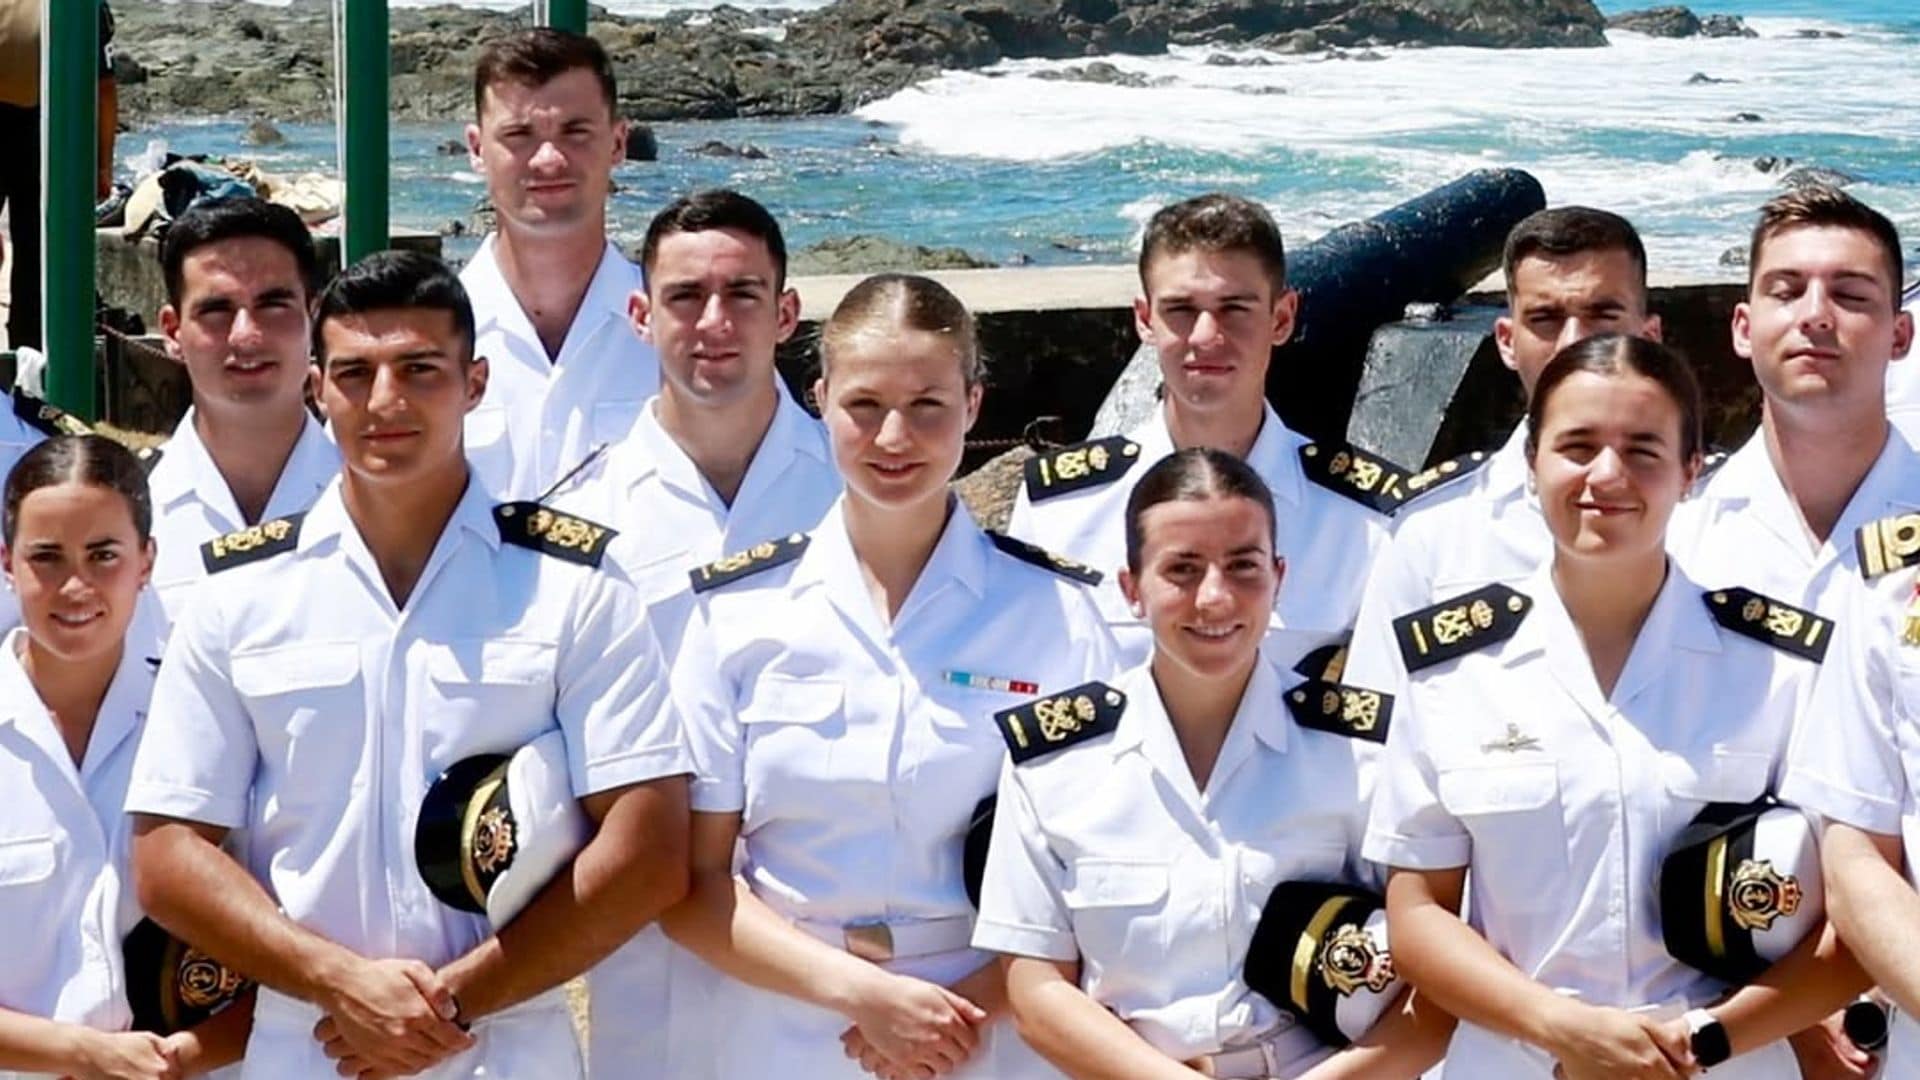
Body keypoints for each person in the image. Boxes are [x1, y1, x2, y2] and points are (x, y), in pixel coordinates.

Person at [122, 251, 691, 1077]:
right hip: (311, 1040)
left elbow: (649, 847)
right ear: (318, 389)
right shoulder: (240, 595)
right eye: (354, 373)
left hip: (505, 1042)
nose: (385, 401)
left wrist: (453, 999)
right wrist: (339, 983)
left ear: (477, 382)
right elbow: (168, 852)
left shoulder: (572, 587)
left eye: (421, 369)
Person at [1364, 334, 1866, 1079]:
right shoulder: (1451, 669)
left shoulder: (1785, 669)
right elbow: (1418, 915)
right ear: (1531, 463)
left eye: (1642, 449)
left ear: (1691, 472)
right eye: (1577, 446)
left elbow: (1854, 915)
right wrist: (1563, 1029)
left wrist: (1698, 1043)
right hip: (1521, 1058)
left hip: (1727, 1061)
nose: (1607, 474)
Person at [657, 273, 1116, 1080]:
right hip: (783, 1020)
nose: (894, 437)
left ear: (974, 406)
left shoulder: (1059, 616)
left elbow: (1097, 874)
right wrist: (865, 997)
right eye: (865, 406)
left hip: (991, 1024)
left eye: (928, 406)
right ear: (821, 400)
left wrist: (954, 1017)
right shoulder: (737, 616)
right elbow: (692, 883)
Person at [975, 447, 1453, 1080]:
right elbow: (1036, 986)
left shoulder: (1362, 750)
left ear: (1279, 577)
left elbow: (1440, 968)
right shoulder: (1056, 763)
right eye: (1182, 569)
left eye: (1242, 566)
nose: (1215, 598)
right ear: (1131, 588)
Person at [558, 189, 840, 1080]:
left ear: (786, 314)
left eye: (743, 295)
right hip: (651, 943)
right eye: (685, 297)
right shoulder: (577, 523)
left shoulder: (864, 493)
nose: (713, 322)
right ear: (641, 316)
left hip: (830, 928)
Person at [1004, 193, 1387, 666]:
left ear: (1282, 318)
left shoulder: (1364, 523)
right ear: (1145, 321)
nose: (1206, 336)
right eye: (1181, 310)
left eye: (1235, 308)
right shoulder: (1061, 509)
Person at [0, 434, 247, 1078]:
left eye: (103, 555)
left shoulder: (213, 724)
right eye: (46, 557)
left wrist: (181, 1058)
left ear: (148, 561)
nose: (75, 585)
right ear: (6, 562)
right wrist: (85, 1053)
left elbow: (285, 937)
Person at [1344, 206, 1661, 703]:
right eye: (1546, 319)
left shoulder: (1714, 520)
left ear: (1649, 336)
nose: (1575, 342)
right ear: (1508, 342)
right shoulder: (1431, 536)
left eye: (1603, 315)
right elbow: (1372, 744)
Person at [459, 28, 659, 499]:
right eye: (518, 135)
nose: (548, 160)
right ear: (476, 150)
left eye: (576, 132)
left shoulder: (683, 338)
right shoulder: (419, 339)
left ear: (617, 143)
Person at [147, 197, 338, 630]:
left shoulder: (381, 507)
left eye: (273, 305)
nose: (246, 335)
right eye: (216, 311)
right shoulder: (127, 511)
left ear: (313, 314)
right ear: (173, 332)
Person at [0, 0, 116, 352]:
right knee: (38, 254)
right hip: (50, 132)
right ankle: (29, 361)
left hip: (27, 123)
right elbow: (105, 90)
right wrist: (102, 166)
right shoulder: (81, 8)